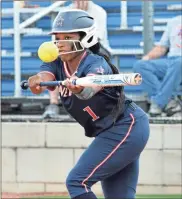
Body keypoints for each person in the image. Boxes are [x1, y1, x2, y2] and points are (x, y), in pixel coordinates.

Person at [28, 10, 150, 199]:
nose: (60, 43)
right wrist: (36, 80)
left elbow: (90, 89)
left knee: (77, 182)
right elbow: (43, 81)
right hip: (110, 130)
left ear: (86, 38)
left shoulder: (95, 63)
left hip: (126, 125)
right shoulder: (55, 62)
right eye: (58, 38)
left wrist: (78, 88)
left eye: (68, 37)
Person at [43, 0, 109, 118]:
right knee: (54, 58)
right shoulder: (66, 12)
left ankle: (86, 99)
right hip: (70, 47)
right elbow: (58, 38)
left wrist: (80, 22)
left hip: (95, 47)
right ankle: (53, 103)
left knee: (87, 58)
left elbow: (94, 39)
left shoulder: (99, 11)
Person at [133, 15, 182, 117]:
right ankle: (169, 102)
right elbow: (162, 47)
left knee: (179, 63)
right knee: (140, 66)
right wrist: (146, 58)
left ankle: (158, 103)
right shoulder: (173, 21)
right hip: (171, 60)